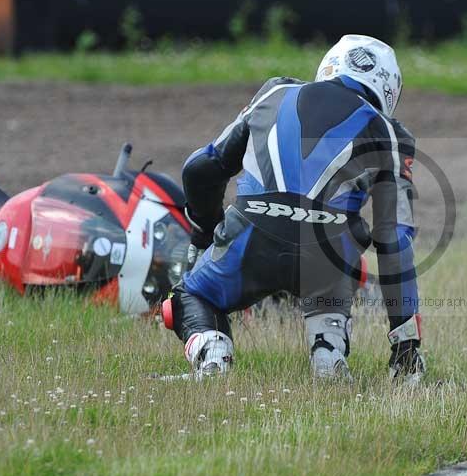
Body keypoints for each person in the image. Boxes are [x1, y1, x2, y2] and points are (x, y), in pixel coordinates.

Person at [163, 34, 425, 383]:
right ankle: (327, 350)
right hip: (327, 254)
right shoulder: (393, 135)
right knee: (343, 247)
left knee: (187, 297)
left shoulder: (275, 93)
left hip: (250, 236)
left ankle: (212, 353)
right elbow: (394, 241)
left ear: (330, 64)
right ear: (390, 90)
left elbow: (200, 169)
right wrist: (406, 347)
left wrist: (205, 236)